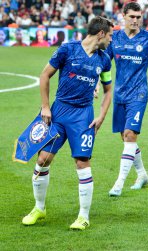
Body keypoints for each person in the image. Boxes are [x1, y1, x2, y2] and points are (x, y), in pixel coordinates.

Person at [21, 16, 114, 230]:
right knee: (43, 159)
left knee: (82, 162)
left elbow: (108, 90)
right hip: (59, 112)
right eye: (109, 35)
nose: (110, 40)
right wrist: (45, 106)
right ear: (100, 33)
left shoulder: (104, 59)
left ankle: (83, 216)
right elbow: (45, 75)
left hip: (83, 116)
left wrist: (101, 116)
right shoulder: (67, 49)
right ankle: (39, 208)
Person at [106, 2, 148, 196]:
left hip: (139, 94)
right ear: (124, 16)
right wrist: (97, 84)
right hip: (119, 94)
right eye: (132, 17)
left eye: (139, 17)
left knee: (130, 135)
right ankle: (142, 174)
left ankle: (119, 183)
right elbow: (105, 62)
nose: (136, 20)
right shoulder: (115, 38)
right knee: (124, 137)